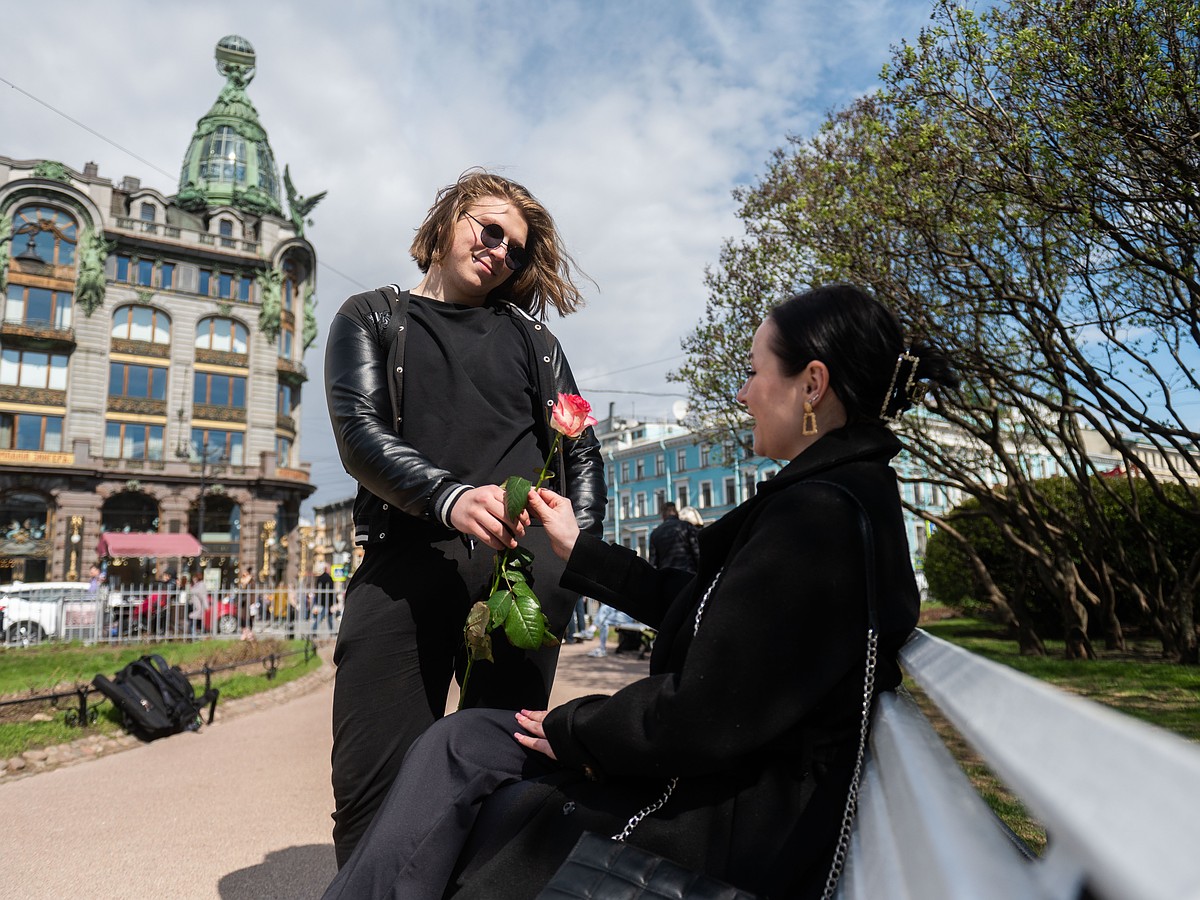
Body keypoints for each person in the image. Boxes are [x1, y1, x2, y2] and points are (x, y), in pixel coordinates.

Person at [320, 283, 956, 900]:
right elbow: (711, 614)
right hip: (727, 789)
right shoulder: (840, 497)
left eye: (756, 371)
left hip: (714, 820)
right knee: (466, 744)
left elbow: (706, 716)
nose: (742, 393)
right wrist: (579, 550)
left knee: (467, 758)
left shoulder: (819, 517)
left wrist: (577, 727)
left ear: (812, 385)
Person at [323, 168, 606, 866]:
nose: (501, 252)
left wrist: (577, 561)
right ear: (449, 218)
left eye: (515, 249)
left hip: (523, 582)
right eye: (490, 230)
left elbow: (585, 450)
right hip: (409, 563)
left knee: (500, 775)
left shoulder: (534, 341)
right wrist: (448, 496)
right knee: (371, 780)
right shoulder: (373, 316)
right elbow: (359, 434)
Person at [648, 501, 699, 572]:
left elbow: (652, 563)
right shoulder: (687, 526)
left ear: (663, 515)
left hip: (667, 577)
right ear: (675, 512)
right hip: (688, 574)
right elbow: (697, 552)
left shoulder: (655, 534)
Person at [311, 562, 337, 633]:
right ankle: (313, 629)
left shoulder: (320, 578)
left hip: (321, 600)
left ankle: (332, 631)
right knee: (322, 615)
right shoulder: (329, 578)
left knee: (329, 616)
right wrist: (334, 601)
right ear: (327, 569)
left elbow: (317, 589)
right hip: (327, 601)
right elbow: (331, 591)